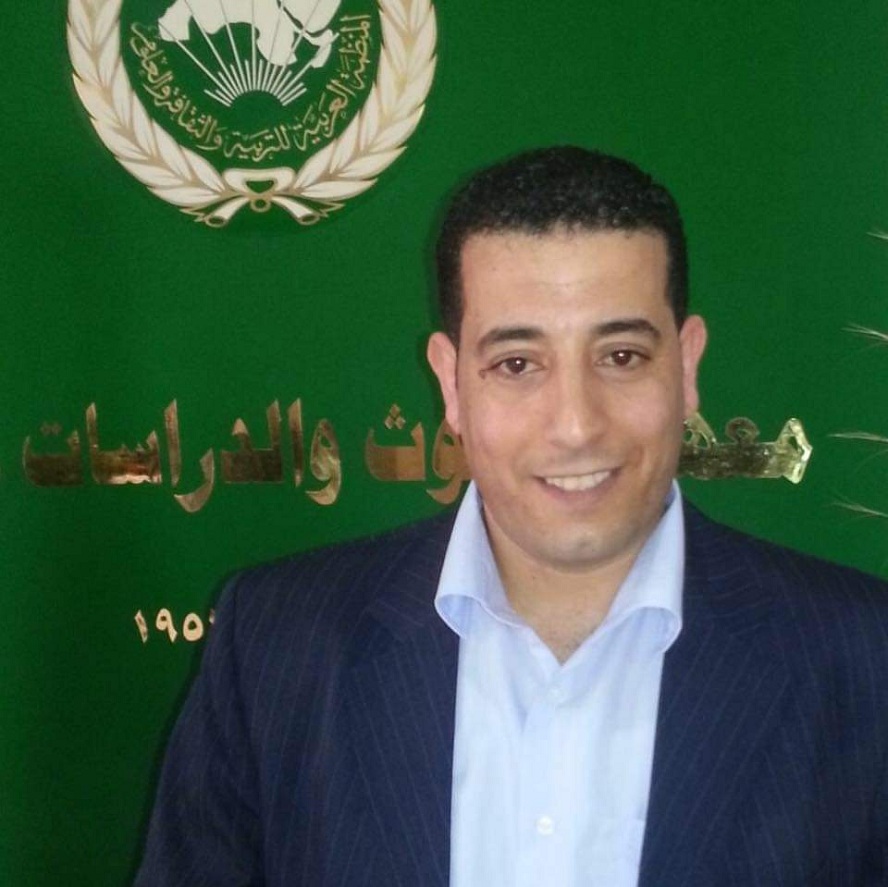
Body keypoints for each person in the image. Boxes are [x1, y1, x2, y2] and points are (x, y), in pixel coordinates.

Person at [135, 147, 888, 887]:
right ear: (451, 384)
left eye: (622, 356)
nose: (575, 425)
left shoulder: (863, 656)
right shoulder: (275, 644)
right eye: (517, 364)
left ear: (686, 367)